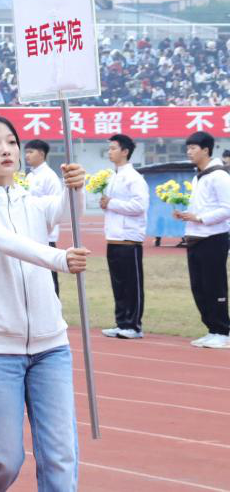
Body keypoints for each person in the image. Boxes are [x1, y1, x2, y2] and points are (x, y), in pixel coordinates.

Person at [0, 115, 87, 491]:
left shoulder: (32, 202)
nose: (6, 150)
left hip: (51, 346)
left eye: (11, 142)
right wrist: (59, 258)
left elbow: (68, 213)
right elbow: (12, 244)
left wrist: (75, 187)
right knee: (1, 459)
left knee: (60, 457)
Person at [172, 131, 230, 349]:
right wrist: (186, 215)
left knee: (214, 286)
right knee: (200, 287)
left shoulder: (219, 175)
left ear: (206, 150)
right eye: (187, 148)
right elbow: (203, 206)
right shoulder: (199, 176)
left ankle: (223, 331)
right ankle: (212, 329)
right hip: (195, 238)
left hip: (213, 238)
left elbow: (227, 208)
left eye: (193, 148)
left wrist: (199, 218)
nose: (189, 152)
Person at [100, 133, 148, 340]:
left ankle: (134, 325)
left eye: (113, 148)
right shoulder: (112, 177)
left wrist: (111, 203)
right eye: (109, 148)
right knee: (118, 285)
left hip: (129, 239)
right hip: (113, 238)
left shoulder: (134, 178)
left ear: (125, 151)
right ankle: (121, 323)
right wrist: (106, 204)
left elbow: (139, 206)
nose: (109, 152)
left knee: (131, 285)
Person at [24, 140, 64, 296]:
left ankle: (54, 307)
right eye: (26, 152)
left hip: (46, 236)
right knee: (34, 276)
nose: (26, 156)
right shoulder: (29, 176)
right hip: (30, 234)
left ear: (41, 154)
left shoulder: (50, 177)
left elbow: (56, 206)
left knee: (49, 277)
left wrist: (48, 230)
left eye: (30, 152)